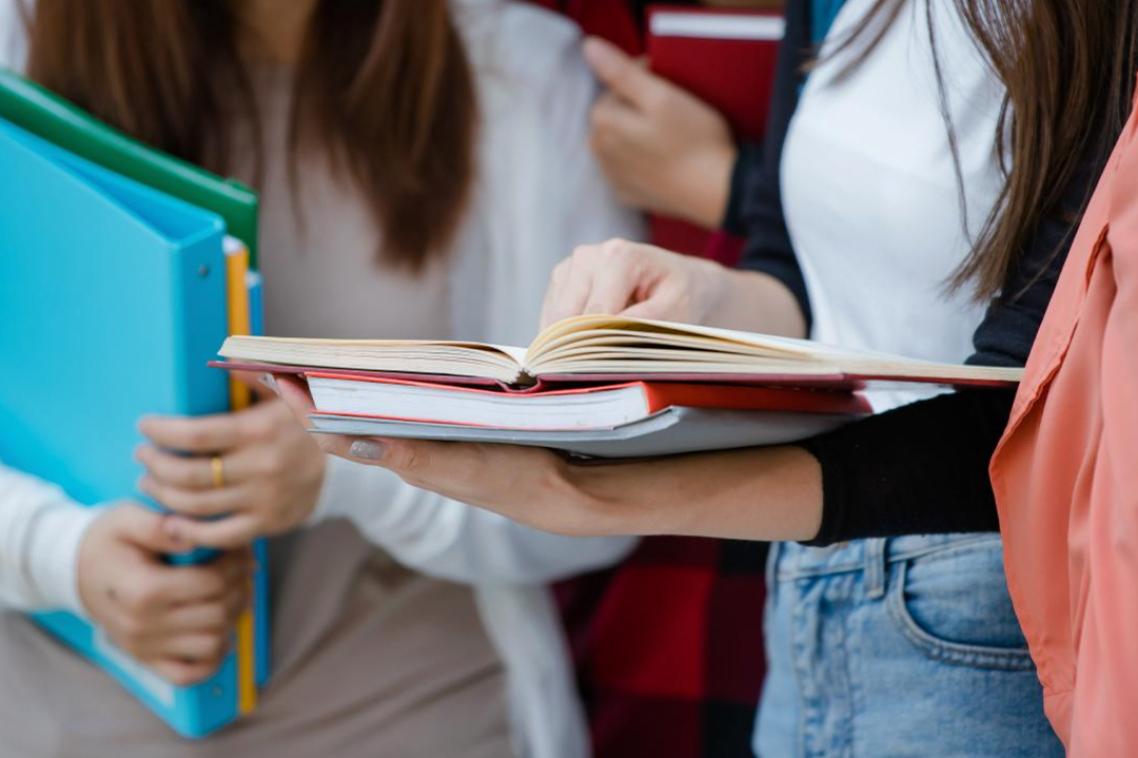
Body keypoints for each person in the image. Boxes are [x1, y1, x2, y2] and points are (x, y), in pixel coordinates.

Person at [261, 0, 1136, 755]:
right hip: (807, 593)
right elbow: (799, 276)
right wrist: (700, 297)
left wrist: (612, 498)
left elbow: (1027, 419)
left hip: (990, 625)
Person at [0, 1, 641, 756]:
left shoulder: (520, 73)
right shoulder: (21, 40)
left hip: (411, 705)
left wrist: (347, 465)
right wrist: (58, 554)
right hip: (60, 708)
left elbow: (609, 477)